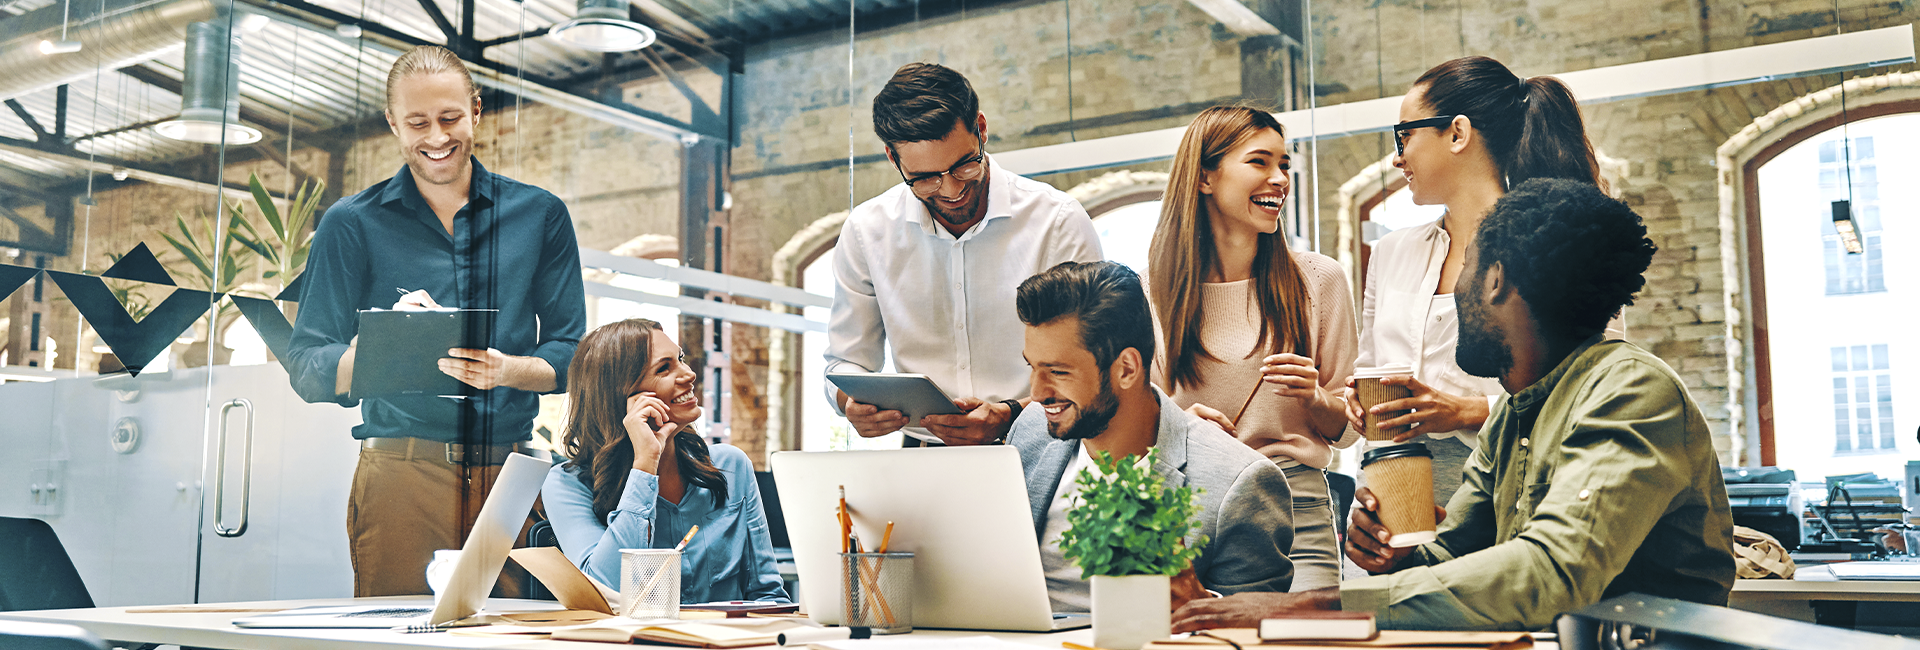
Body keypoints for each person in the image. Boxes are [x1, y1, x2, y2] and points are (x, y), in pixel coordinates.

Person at [1173, 179, 1736, 631]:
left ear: (1494, 279)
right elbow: (1448, 559)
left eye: (1462, 272)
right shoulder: (1519, 411)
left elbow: (1550, 571)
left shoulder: (1630, 390)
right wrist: (1395, 557)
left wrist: (1304, 606)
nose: (1454, 292)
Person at [284, 45, 587, 596]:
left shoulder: (540, 215)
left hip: (510, 475)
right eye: (417, 122)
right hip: (401, 473)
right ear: (393, 124)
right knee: (396, 634)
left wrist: (509, 370)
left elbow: (571, 353)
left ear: (475, 110)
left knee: (515, 638)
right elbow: (305, 366)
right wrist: (382, 351)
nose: (437, 137)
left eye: (449, 118)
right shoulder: (350, 223)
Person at [1349, 56, 1612, 500]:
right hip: (1396, 490)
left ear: (1457, 133)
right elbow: (1368, 371)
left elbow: (1594, 392)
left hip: (1513, 489)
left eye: (1405, 134)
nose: (1397, 157)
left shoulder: (1561, 243)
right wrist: (1355, 402)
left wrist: (1465, 412)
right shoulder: (1391, 253)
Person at [826, 62, 1103, 446]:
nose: (952, 189)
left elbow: (1092, 365)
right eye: (926, 178)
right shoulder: (866, 231)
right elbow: (844, 362)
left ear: (981, 129)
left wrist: (1011, 415)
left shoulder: (1057, 221)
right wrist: (849, 405)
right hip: (922, 454)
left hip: (1040, 446)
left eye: (964, 165)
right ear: (893, 158)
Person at [1146, 105, 1359, 591]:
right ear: (1204, 178)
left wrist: (1315, 397)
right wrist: (1183, 427)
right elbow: (1135, 430)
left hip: (1296, 511)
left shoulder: (1319, 280)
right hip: (1186, 513)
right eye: (1260, 162)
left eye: (1284, 164)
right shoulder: (1148, 293)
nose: (1280, 178)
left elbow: (1347, 431)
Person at [1008, 260, 1295, 612]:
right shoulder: (1030, 431)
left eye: (1057, 371)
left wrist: (1201, 605)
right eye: (1032, 367)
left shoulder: (1240, 483)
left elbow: (1260, 626)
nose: (1036, 393)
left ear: (1126, 368)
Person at [542, 319, 790, 602]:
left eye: (681, 359)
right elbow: (606, 592)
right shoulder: (567, 484)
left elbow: (769, 596)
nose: (688, 373)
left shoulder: (732, 466)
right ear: (621, 396)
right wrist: (645, 462)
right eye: (664, 368)